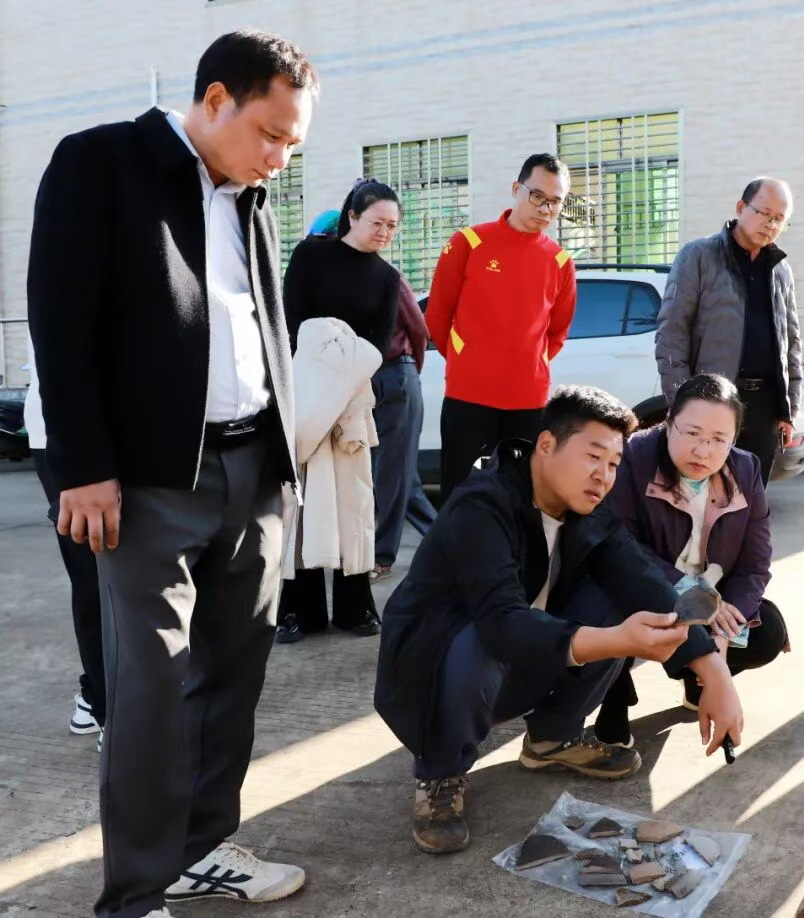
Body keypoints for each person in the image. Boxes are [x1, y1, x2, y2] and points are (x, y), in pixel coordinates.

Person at [27, 30, 316, 918]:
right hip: (150, 481)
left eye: (292, 145)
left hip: (254, 472)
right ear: (217, 98)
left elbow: (259, 325)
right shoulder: (101, 163)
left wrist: (284, 464)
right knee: (152, 688)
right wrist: (84, 467)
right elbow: (59, 320)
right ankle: (137, 893)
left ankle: (200, 849)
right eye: (271, 134)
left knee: (233, 678)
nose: (278, 159)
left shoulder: (250, 200)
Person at [374, 385, 744, 856]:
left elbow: (640, 579)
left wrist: (713, 671)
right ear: (546, 445)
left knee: (621, 596)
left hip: (519, 659)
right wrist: (615, 640)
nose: (603, 476)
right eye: (593, 456)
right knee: (484, 638)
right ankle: (440, 772)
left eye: (614, 463)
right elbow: (503, 624)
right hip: (433, 671)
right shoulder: (482, 504)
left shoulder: (584, 508)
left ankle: (551, 738)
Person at [593, 373, 789, 747]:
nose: (703, 451)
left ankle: (695, 680)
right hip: (642, 589)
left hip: (710, 596)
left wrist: (725, 633)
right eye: (692, 433)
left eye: (719, 439)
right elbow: (620, 547)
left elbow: (755, 563)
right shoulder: (631, 458)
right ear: (669, 423)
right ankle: (614, 701)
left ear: (734, 438)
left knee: (766, 633)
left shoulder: (745, 469)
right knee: (602, 608)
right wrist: (695, 596)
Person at [276, 180, 401, 642]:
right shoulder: (311, 255)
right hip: (304, 393)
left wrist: (343, 368)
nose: (385, 232)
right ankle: (297, 609)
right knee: (303, 502)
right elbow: (289, 320)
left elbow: (380, 345)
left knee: (354, 501)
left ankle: (355, 607)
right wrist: (324, 358)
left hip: (351, 398)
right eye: (377, 222)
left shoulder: (387, 277)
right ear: (352, 216)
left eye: (392, 226)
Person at [425, 153, 577, 500]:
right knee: (462, 495)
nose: (546, 209)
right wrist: (468, 361)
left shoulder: (560, 262)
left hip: (528, 401)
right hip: (468, 397)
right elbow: (437, 316)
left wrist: (528, 364)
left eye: (556, 201)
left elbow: (557, 332)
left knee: (522, 497)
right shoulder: (468, 243)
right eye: (537, 196)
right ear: (515, 189)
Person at [654, 177, 803, 485]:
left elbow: (791, 342)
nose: (771, 224)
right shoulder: (699, 256)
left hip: (764, 409)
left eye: (780, 219)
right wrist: (682, 403)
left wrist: (788, 410)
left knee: (752, 497)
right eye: (764, 213)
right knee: (704, 497)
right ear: (740, 207)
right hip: (711, 405)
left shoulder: (780, 269)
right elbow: (672, 333)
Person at [24, 337, 106, 743]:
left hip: (111, 431)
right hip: (68, 435)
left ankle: (96, 697)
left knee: (112, 582)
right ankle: (108, 710)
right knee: (96, 581)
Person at [370, 271, 438, 583]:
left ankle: (382, 557)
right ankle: (450, 544)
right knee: (402, 479)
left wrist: (408, 371)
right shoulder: (346, 278)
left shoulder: (388, 277)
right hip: (369, 382)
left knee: (391, 476)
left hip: (395, 375)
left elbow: (419, 330)